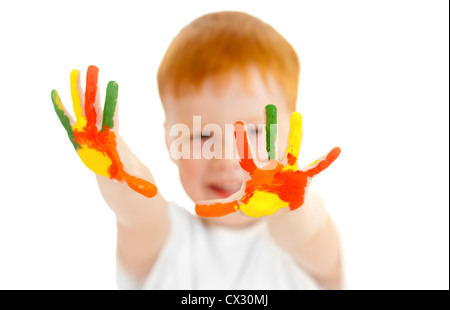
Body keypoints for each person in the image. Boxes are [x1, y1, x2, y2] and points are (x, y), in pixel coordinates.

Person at [53, 11, 344, 290]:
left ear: (292, 134)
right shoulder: (162, 242)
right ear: (171, 142)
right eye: (204, 134)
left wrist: (288, 202)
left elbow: (310, 231)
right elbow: (139, 212)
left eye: (255, 132)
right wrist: (117, 169)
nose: (228, 158)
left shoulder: (306, 253)